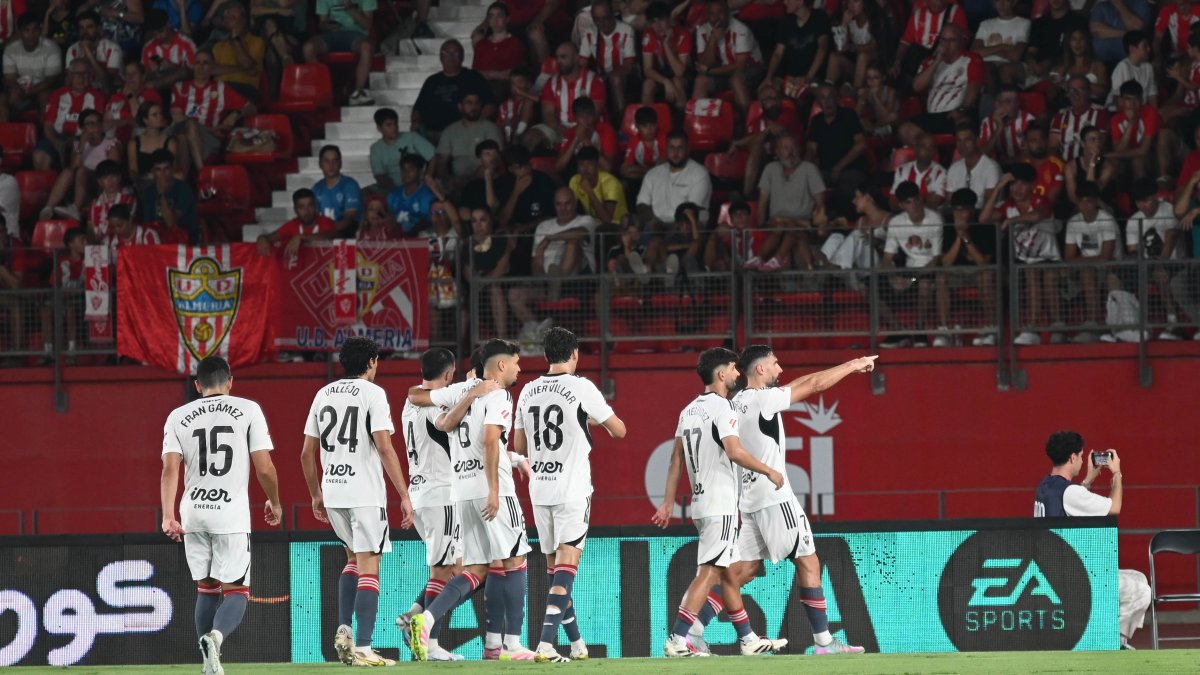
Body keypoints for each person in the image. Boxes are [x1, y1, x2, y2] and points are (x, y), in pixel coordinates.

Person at [682, 347, 874, 656]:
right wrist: (852, 365)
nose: (779, 369)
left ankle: (695, 631)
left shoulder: (733, 403)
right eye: (774, 364)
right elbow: (813, 385)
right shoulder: (762, 398)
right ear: (759, 370)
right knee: (808, 561)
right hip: (774, 498)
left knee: (740, 572)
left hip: (747, 501)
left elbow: (805, 382)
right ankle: (824, 642)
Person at [652, 347, 785, 658]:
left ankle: (748, 639)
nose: (738, 374)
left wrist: (668, 503)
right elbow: (735, 452)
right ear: (722, 373)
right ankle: (678, 638)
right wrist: (769, 470)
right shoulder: (724, 408)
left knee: (727, 573)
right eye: (734, 369)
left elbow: (675, 461)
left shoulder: (687, 411)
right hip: (720, 504)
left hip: (700, 503)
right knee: (710, 572)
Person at [411, 339, 535, 661]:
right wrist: (494, 491)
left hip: (461, 491)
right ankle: (512, 644)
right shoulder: (500, 395)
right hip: (492, 490)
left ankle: (428, 617)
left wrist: (465, 395)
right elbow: (491, 439)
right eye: (517, 362)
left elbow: (416, 396)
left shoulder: (461, 390)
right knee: (516, 560)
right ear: (502, 365)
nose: (520, 368)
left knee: (477, 568)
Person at [159, 356, 282, 675]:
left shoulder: (177, 416)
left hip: (193, 512)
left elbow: (169, 468)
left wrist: (167, 515)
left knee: (207, 588)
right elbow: (264, 466)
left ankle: (207, 665)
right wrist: (275, 501)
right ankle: (215, 638)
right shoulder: (248, 409)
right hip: (230, 514)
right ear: (230, 381)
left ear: (197, 385)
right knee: (238, 591)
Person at [513, 327, 627, 662]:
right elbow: (620, 430)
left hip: (540, 487)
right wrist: (589, 419)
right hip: (572, 486)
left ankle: (576, 644)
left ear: (545, 355)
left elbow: (519, 447)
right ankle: (546, 644)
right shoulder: (582, 387)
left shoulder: (528, 391)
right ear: (574, 354)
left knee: (555, 571)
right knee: (567, 565)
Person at [300, 337, 414, 667]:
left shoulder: (323, 394)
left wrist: (315, 493)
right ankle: (364, 647)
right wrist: (404, 496)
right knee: (370, 566)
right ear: (373, 362)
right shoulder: (373, 394)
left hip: (333, 490)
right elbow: (384, 446)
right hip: (364, 492)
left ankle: (345, 631)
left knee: (352, 558)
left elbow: (306, 453)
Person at [398, 348, 498, 662]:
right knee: (443, 571)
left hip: (421, 494)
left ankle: (414, 614)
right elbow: (447, 424)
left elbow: (419, 395)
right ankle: (430, 642)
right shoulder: (436, 407)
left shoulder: (409, 402)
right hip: (441, 494)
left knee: (456, 567)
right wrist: (472, 394)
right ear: (449, 374)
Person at [1034, 430, 1150, 650]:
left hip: (1053, 571)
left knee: (1138, 577)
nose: (1081, 460)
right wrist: (1117, 474)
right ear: (1072, 458)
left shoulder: (1045, 486)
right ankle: (1113, 643)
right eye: (1080, 455)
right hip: (1071, 579)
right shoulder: (1070, 493)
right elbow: (1114, 507)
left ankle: (1106, 635)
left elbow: (1071, 502)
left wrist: (1089, 478)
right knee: (1142, 591)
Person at [980, 165, 1062, 345]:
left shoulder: (1041, 201)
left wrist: (1011, 221)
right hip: (1025, 260)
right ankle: (1032, 329)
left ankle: (1056, 327)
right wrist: (998, 188)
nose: (1016, 189)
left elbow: (1036, 216)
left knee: (1045, 281)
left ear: (1033, 185)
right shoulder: (1007, 205)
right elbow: (983, 218)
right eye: (1013, 185)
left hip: (1048, 257)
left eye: (1022, 185)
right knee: (1030, 276)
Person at [748, 133, 825, 272]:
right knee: (786, 226)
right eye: (785, 148)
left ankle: (763, 258)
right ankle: (779, 260)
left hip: (802, 222)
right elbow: (763, 201)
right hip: (777, 222)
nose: (791, 152)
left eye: (793, 147)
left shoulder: (809, 169)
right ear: (777, 152)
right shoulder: (770, 169)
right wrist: (761, 225)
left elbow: (821, 202)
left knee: (791, 227)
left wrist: (816, 223)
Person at [898, 22, 984, 145]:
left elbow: (973, 91)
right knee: (905, 129)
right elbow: (916, 86)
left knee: (964, 123)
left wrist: (961, 110)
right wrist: (937, 61)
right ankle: (931, 158)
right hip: (933, 116)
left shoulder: (972, 59)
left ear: (961, 41)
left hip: (959, 114)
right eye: (943, 40)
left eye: (952, 40)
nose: (946, 45)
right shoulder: (929, 62)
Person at [170, 50, 255, 174]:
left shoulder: (221, 89)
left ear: (212, 68)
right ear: (193, 66)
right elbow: (177, 118)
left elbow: (251, 108)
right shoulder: (179, 87)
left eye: (205, 63)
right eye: (197, 63)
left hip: (207, 138)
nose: (201, 67)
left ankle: (197, 177)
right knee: (185, 130)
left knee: (182, 139)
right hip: (183, 129)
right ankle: (202, 174)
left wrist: (236, 114)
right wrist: (210, 129)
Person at [881, 181, 944, 347]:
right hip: (908, 269)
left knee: (924, 284)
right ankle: (897, 330)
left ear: (921, 198)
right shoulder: (896, 222)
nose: (914, 205)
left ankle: (920, 329)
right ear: (902, 205)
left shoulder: (935, 219)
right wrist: (892, 276)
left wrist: (913, 280)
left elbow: (936, 259)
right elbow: (887, 258)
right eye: (908, 202)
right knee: (871, 284)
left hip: (929, 269)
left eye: (916, 199)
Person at [636, 130, 711, 263]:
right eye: (671, 148)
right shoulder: (653, 174)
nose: (675, 152)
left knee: (659, 240)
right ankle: (644, 267)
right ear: (666, 148)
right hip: (658, 225)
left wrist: (668, 226)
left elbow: (690, 210)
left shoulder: (700, 174)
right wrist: (652, 220)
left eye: (680, 148)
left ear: (688, 149)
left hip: (687, 227)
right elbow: (642, 205)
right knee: (648, 231)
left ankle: (646, 267)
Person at [1125, 178, 1184, 339]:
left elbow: (1171, 238)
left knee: (1159, 274)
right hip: (1146, 264)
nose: (1142, 206)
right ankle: (1130, 326)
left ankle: (1174, 323)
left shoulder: (1169, 211)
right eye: (1138, 202)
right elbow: (1133, 250)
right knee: (1119, 276)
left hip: (1174, 262)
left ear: (1155, 196)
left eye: (1146, 201)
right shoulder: (1133, 221)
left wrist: (1160, 265)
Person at [938, 188, 997, 347]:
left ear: (972, 210)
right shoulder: (949, 226)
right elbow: (946, 263)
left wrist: (965, 237)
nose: (959, 215)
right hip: (956, 272)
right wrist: (958, 236)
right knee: (941, 277)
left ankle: (991, 328)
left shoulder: (985, 226)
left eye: (963, 210)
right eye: (956, 210)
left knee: (985, 275)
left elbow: (983, 262)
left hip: (979, 272)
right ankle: (945, 330)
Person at [412, 39, 493, 141]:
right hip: (432, 134)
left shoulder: (473, 77)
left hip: (464, 134)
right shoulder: (431, 81)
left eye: (455, 53)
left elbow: (490, 105)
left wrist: (477, 125)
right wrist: (415, 122)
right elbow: (418, 108)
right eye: (446, 52)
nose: (450, 56)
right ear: (440, 57)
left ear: (462, 57)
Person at [693, 0, 763, 112]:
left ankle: (747, 122)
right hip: (722, 72)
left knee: (736, 79)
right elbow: (704, 65)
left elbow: (739, 67)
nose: (716, 17)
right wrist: (712, 40)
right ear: (707, 15)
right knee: (701, 81)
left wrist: (709, 71)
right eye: (712, 13)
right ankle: (700, 122)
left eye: (720, 12)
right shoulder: (702, 31)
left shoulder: (741, 30)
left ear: (727, 12)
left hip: (750, 69)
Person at [303, 0, 375, 105]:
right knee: (308, 48)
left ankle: (358, 93)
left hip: (356, 35)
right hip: (332, 35)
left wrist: (351, 8)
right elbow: (321, 24)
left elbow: (367, 25)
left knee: (366, 47)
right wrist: (328, 25)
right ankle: (323, 92)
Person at [431, 92, 504, 190]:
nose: (474, 107)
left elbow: (493, 161)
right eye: (469, 103)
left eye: (477, 103)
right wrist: (446, 180)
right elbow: (441, 161)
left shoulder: (490, 128)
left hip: (485, 181)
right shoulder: (450, 130)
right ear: (460, 106)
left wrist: (468, 181)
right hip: (457, 181)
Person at [578, 0, 636, 119]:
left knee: (615, 78)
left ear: (612, 15)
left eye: (605, 18)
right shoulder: (589, 33)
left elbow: (629, 65)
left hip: (624, 77)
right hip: (600, 76)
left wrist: (609, 75)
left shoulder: (626, 30)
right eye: (597, 19)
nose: (602, 23)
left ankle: (621, 121)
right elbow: (581, 65)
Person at [766, 0, 832, 100]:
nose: (785, 2)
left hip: (813, 77)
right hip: (788, 78)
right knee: (768, 94)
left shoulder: (820, 17)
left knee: (808, 96)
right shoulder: (786, 22)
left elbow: (822, 48)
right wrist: (769, 77)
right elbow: (778, 53)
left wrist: (808, 77)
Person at [3, 13, 63, 117]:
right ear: (19, 32)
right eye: (27, 30)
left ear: (40, 30)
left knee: (45, 96)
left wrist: (26, 93)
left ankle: (44, 132)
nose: (31, 34)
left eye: (35, 29)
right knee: (2, 99)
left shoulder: (51, 48)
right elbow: (10, 78)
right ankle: (5, 133)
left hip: (42, 89)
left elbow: (50, 81)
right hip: (19, 89)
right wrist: (16, 90)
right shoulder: (11, 49)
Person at [43, 59, 104, 156]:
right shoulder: (57, 95)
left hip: (82, 139)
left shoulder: (96, 97)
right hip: (58, 137)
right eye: (77, 74)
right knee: (39, 155)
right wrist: (55, 141)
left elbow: (96, 127)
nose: (81, 78)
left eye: (85, 74)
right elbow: (48, 125)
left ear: (89, 76)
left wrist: (77, 140)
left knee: (76, 151)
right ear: (71, 76)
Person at [369, 107, 435, 194]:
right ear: (379, 128)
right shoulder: (376, 149)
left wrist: (427, 179)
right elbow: (379, 175)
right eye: (389, 125)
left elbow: (433, 157)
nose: (394, 127)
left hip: (418, 184)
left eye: (395, 123)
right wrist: (397, 191)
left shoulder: (412, 137)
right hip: (391, 189)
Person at [640, 1, 692, 110]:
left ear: (669, 19)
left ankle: (681, 121)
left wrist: (666, 45)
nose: (658, 26)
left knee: (677, 81)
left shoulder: (683, 33)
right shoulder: (648, 34)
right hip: (661, 75)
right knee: (647, 84)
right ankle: (647, 122)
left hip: (682, 77)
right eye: (653, 22)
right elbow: (647, 69)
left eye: (661, 20)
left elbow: (679, 71)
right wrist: (665, 81)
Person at [256, 187, 336, 258]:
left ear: (315, 206)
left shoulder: (326, 221)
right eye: (301, 207)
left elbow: (328, 236)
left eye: (310, 205)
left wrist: (301, 237)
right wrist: (262, 238)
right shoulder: (293, 224)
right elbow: (270, 237)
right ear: (295, 210)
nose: (307, 211)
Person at [211, 2, 266, 104]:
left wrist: (235, 40)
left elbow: (250, 69)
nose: (229, 21)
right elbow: (213, 69)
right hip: (220, 89)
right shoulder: (218, 46)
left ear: (244, 21)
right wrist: (241, 68)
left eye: (234, 18)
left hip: (245, 88)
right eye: (228, 18)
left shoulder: (257, 42)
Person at [140, 149, 198, 243]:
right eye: (158, 170)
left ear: (172, 169)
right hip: (158, 242)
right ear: (153, 172)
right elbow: (148, 225)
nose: (162, 174)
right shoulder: (149, 192)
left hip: (183, 241)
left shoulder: (183, 189)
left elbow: (171, 222)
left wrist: (162, 194)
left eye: (166, 169)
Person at [1050, 74, 1111, 163]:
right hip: (1063, 165)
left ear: (1089, 92)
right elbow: (1052, 147)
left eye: (1081, 90)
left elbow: (1100, 145)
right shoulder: (1060, 115)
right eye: (1072, 90)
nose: (1075, 94)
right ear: (1067, 93)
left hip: (1091, 164)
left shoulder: (1101, 113)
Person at [971, 0, 1028, 87]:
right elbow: (974, 52)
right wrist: (1002, 46)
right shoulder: (985, 24)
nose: (1001, 4)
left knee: (1003, 70)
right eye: (997, 1)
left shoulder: (1023, 23)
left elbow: (1015, 56)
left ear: (1014, 2)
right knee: (985, 68)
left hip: (1009, 65)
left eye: (1005, 1)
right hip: (987, 65)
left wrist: (988, 50)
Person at [106, 61, 164, 146]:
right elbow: (106, 123)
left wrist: (131, 96)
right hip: (116, 143)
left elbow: (143, 122)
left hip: (140, 141)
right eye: (127, 74)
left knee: (139, 131)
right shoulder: (116, 97)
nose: (130, 77)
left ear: (143, 77)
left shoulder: (151, 95)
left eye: (134, 73)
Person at [946, 123, 1001, 208]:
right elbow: (950, 203)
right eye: (959, 140)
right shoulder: (954, 168)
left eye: (967, 140)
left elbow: (989, 205)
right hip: (960, 217)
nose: (962, 145)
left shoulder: (991, 168)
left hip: (984, 219)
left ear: (977, 141)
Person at [312, 145, 363, 236]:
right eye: (327, 161)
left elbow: (349, 218)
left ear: (340, 163)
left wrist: (327, 232)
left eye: (334, 161)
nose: (331, 165)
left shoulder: (350, 185)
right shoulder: (316, 188)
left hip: (347, 235)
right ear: (320, 164)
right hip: (324, 236)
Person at [569, 145, 627, 225]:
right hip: (593, 224)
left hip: (617, 226)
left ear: (597, 166)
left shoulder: (610, 182)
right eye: (581, 164)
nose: (585, 169)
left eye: (590, 164)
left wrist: (590, 192)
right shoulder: (575, 181)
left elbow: (607, 220)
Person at [141, 9, 196, 90]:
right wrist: (152, 72)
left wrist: (172, 66)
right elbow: (144, 75)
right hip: (157, 91)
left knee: (183, 72)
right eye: (154, 34)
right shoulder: (148, 48)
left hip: (182, 88)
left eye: (160, 32)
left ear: (168, 24)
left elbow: (193, 73)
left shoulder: (186, 43)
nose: (158, 37)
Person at [67, 10, 122, 92]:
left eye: (89, 27)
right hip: (84, 93)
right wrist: (82, 58)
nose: (85, 32)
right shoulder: (73, 49)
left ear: (99, 29)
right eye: (81, 28)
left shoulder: (112, 48)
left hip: (108, 93)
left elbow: (108, 84)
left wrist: (88, 53)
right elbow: (67, 83)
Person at [980, 85, 1037, 163]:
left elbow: (1034, 152)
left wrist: (1008, 161)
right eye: (1008, 101)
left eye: (1016, 101)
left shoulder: (1028, 119)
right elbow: (982, 155)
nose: (1013, 105)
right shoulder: (987, 122)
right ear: (997, 104)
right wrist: (999, 129)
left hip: (1023, 165)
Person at [891, 133, 947, 210]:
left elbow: (932, 204)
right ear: (915, 148)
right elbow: (893, 202)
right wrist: (923, 200)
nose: (927, 150)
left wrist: (907, 203)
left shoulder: (940, 173)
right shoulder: (901, 171)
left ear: (934, 151)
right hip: (904, 218)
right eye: (923, 146)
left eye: (931, 147)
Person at [387, 154, 440, 236]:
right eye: (403, 169)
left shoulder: (426, 195)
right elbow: (390, 219)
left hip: (421, 239)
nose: (406, 173)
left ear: (420, 171)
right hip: (397, 240)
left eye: (411, 169)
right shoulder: (393, 195)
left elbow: (428, 222)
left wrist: (409, 235)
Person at [1107, 31, 1157, 108]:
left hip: (1140, 110)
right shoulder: (1123, 67)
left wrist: (1153, 115)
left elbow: (1152, 94)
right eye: (1144, 46)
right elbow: (1117, 98)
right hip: (1120, 112)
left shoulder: (1148, 67)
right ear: (1132, 49)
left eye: (1148, 45)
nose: (1149, 49)